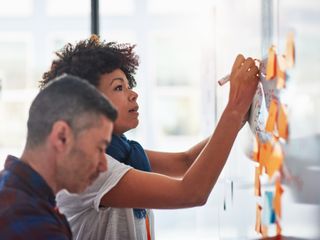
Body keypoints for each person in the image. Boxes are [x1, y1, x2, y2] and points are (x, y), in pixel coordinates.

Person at [40, 35, 259, 240]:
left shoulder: (121, 153)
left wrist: (239, 117)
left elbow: (186, 162)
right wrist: (234, 107)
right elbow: (191, 193)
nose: (133, 93)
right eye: (118, 87)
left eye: (128, 85)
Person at [0, 74, 118, 239]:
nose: (104, 165)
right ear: (62, 137)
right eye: (99, 148)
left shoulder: (17, 193)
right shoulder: (29, 221)